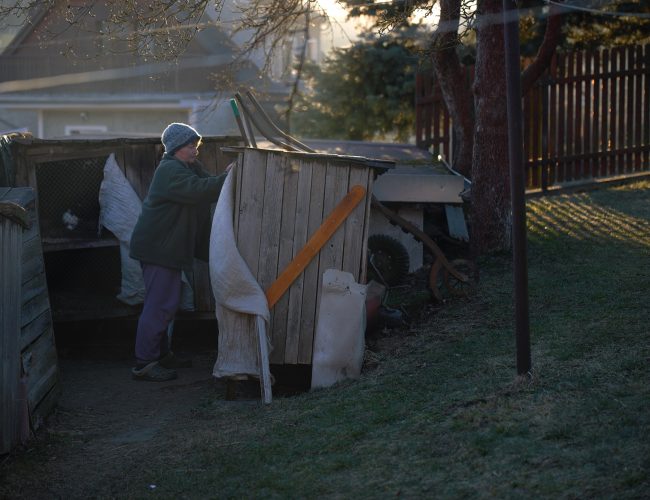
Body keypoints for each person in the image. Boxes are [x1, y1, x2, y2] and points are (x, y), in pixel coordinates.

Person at [129, 122, 228, 381]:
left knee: (167, 304)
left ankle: (161, 355)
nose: (195, 150)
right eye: (189, 146)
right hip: (158, 249)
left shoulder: (187, 167)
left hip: (165, 248)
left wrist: (226, 177)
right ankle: (145, 363)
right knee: (159, 306)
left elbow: (208, 182)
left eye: (195, 145)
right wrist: (230, 177)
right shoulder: (170, 170)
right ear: (175, 148)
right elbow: (201, 191)